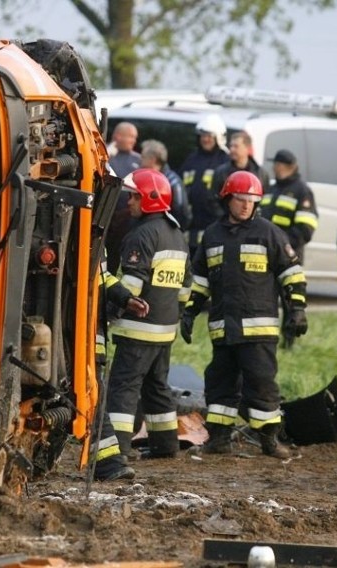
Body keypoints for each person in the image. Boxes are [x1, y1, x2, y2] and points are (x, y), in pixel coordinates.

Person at [181, 171, 307, 459]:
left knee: (262, 385)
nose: (246, 205)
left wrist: (297, 309)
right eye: (241, 200)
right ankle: (219, 439)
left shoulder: (269, 233)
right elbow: (200, 279)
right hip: (223, 328)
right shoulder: (212, 235)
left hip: (258, 330)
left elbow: (292, 274)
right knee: (220, 385)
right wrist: (189, 312)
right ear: (228, 199)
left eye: (252, 200)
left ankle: (270, 441)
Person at [105, 168, 192, 459]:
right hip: (165, 330)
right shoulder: (177, 234)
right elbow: (185, 286)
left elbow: (132, 286)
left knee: (123, 388)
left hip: (137, 330)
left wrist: (110, 308)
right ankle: (166, 446)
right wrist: (174, 314)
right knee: (157, 388)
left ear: (149, 199)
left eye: (133, 197)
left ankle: (118, 449)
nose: (128, 202)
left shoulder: (141, 235)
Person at [260, 149, 318, 348]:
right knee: (266, 299)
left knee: (289, 300)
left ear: (287, 167)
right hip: (265, 256)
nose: (274, 168)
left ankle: (288, 341)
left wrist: (282, 245)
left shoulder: (302, 191)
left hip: (288, 255)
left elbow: (306, 227)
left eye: (277, 164)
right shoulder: (272, 189)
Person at [88, 259, 137, 482]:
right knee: (91, 396)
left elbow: (103, 277)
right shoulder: (73, 234)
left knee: (92, 396)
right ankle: (108, 463)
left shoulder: (94, 237)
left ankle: (109, 463)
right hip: (77, 340)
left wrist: (125, 298)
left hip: (89, 339)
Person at [178, 114, 230, 255]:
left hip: (215, 224)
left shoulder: (226, 161)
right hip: (191, 226)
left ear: (218, 137)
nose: (205, 139)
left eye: (209, 136)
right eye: (203, 135)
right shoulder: (192, 159)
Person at [105, 122, 142, 273]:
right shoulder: (106, 155)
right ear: (118, 136)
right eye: (131, 137)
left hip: (128, 220)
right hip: (108, 219)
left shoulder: (139, 160)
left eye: (135, 137)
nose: (134, 141)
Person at [141, 139, 192, 230]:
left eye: (143, 157)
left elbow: (181, 212)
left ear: (152, 160)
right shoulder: (149, 178)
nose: (140, 160)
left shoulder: (172, 182)